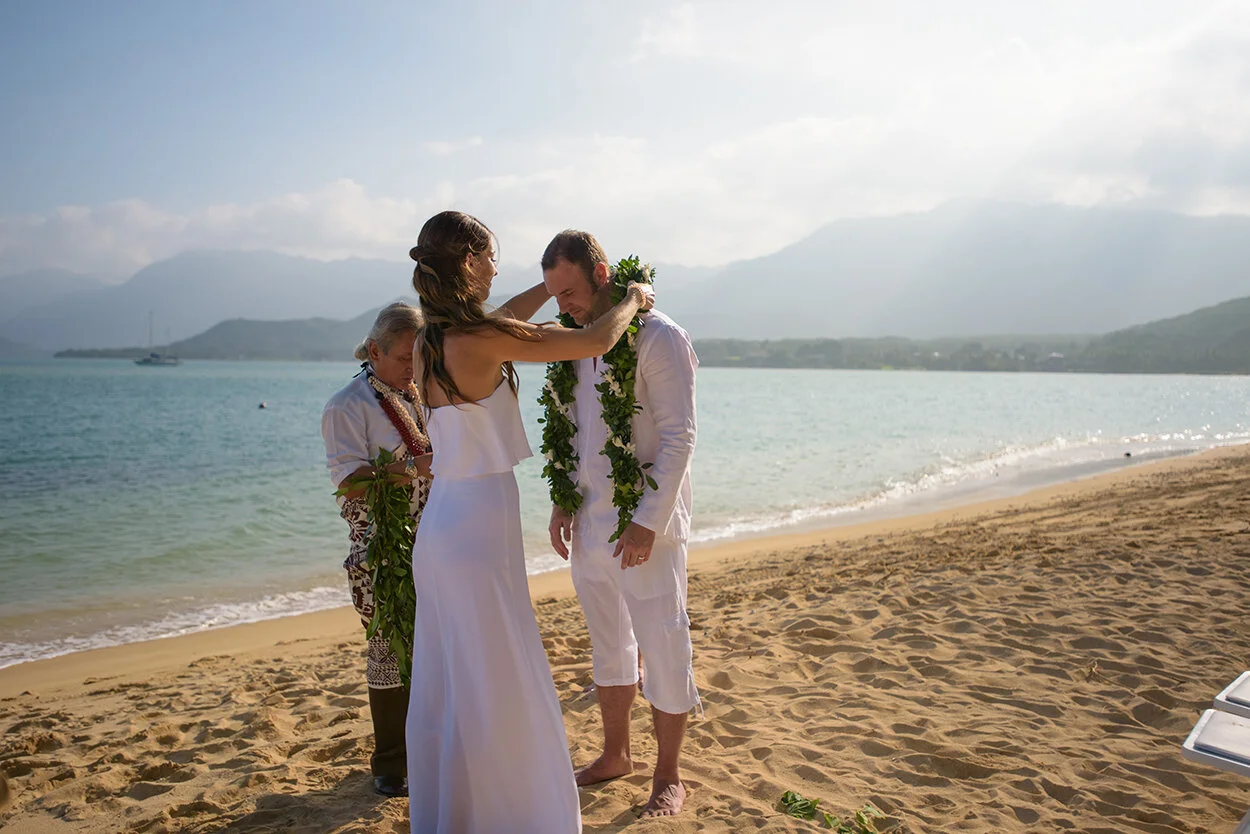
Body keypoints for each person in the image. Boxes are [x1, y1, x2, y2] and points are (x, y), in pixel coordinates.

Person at [405, 210, 654, 834]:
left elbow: (503, 316)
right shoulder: (482, 340)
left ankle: (459, 812)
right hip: (477, 530)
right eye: (489, 257)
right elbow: (595, 340)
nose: (496, 268)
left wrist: (550, 286)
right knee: (497, 677)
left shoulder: (428, 340)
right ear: (468, 263)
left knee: (456, 680)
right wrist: (630, 297)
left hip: (442, 528)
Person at [543, 230, 699, 817]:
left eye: (571, 291)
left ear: (602, 272)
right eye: (556, 296)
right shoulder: (574, 345)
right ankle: (615, 755)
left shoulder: (660, 336)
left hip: (645, 529)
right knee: (608, 645)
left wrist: (646, 522)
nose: (564, 305)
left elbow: (680, 436)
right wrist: (562, 501)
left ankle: (668, 775)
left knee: (663, 642)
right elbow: (576, 435)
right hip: (588, 522)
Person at [321, 301, 433, 798]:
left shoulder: (426, 395)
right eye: (406, 358)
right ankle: (390, 763)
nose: (414, 368)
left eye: (420, 357)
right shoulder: (348, 405)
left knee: (434, 648)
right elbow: (348, 483)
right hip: (380, 547)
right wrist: (413, 469)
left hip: (435, 538)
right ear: (374, 349)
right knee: (388, 650)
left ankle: (429, 748)